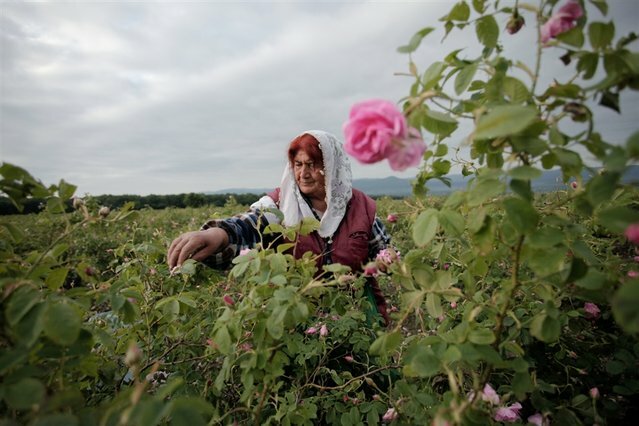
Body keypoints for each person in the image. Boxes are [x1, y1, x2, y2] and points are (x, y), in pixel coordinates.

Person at [167, 130, 391, 324]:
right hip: (299, 317)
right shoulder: (279, 205)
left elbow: (381, 249)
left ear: (332, 168)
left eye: (312, 165)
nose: (303, 174)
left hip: (356, 315)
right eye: (298, 165)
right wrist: (219, 234)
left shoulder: (360, 206)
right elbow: (250, 225)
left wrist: (388, 259)